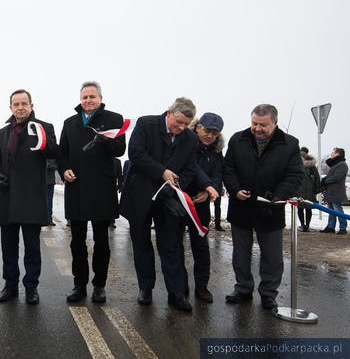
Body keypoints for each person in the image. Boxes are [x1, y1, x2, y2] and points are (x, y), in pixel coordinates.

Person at [120, 97, 198, 312]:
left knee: (170, 245)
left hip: (168, 199)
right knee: (141, 244)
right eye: (178, 122)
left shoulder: (190, 139)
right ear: (169, 113)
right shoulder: (146, 124)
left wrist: (174, 186)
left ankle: (176, 292)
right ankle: (145, 288)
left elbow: (190, 169)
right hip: (140, 196)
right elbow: (135, 154)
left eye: (186, 125)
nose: (181, 128)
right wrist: (161, 172)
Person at [223, 104, 303, 310]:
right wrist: (235, 189)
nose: (257, 128)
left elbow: (294, 175)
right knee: (241, 253)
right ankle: (243, 288)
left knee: (272, 256)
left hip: (271, 208)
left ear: (275, 123)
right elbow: (228, 168)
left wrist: (278, 196)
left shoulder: (290, 144)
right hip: (241, 205)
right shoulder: (237, 139)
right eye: (254, 123)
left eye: (263, 125)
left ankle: (268, 294)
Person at [58, 81, 126, 303]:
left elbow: (120, 149)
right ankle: (79, 284)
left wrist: (105, 141)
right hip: (76, 187)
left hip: (101, 188)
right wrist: (65, 168)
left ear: (100, 98)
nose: (88, 101)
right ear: (80, 99)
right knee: (77, 241)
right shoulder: (70, 123)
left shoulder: (114, 119)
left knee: (101, 241)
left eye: (92, 97)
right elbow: (62, 153)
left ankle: (99, 285)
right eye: (84, 97)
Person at [0, 89, 59, 305]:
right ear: (10, 107)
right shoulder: (3, 132)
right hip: (8, 196)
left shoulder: (43, 128)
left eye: (24, 103)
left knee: (32, 247)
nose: (20, 107)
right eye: (16, 104)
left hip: (32, 196)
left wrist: (43, 141)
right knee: (8, 248)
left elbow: (54, 153)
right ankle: (10, 285)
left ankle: (31, 287)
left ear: (31, 105)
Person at [183, 113, 224, 303]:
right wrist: (207, 185)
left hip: (200, 204)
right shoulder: (185, 142)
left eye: (215, 134)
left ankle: (202, 286)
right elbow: (191, 167)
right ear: (198, 126)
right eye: (207, 131)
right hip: (181, 199)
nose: (210, 136)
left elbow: (217, 174)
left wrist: (209, 191)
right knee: (175, 245)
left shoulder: (216, 152)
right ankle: (180, 284)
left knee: (200, 246)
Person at [319, 147, 348, 235]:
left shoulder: (342, 164)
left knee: (338, 210)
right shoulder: (336, 164)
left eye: (333, 152)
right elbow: (332, 174)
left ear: (338, 154)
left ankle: (343, 228)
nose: (331, 154)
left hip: (337, 192)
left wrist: (325, 180)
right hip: (331, 191)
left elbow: (336, 177)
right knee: (331, 210)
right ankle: (331, 226)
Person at [296, 149, 320, 232]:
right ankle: (302, 224)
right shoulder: (296, 165)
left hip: (309, 190)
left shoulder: (311, 166)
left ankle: (307, 225)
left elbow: (317, 177)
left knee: (308, 208)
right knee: (300, 208)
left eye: (302, 157)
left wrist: (317, 188)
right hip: (299, 190)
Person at [46, 158, 57, 226]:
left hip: (50, 181)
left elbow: (57, 165)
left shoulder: (52, 154)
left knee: (49, 202)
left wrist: (50, 165)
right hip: (40, 181)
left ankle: (49, 219)